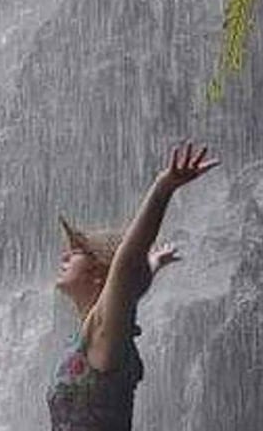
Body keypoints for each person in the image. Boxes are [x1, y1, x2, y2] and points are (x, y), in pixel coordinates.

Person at [48, 142, 219, 431]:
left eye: (77, 251)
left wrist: (164, 187)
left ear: (100, 274)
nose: (65, 256)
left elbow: (126, 267)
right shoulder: (101, 330)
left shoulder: (104, 335)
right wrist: (153, 264)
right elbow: (132, 286)